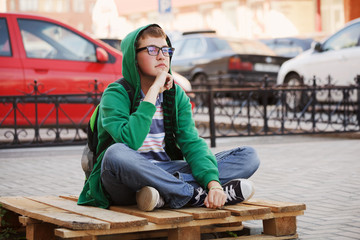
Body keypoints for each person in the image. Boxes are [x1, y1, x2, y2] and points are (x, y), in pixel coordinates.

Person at [77, 24, 260, 211]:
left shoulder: (176, 95)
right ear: (134, 58)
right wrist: (154, 90)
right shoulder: (116, 93)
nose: (162, 55)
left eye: (165, 50)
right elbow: (129, 141)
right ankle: (192, 194)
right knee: (115, 154)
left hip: (166, 170)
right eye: (152, 50)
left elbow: (191, 142)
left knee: (248, 156)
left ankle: (163, 194)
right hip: (124, 179)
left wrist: (214, 183)